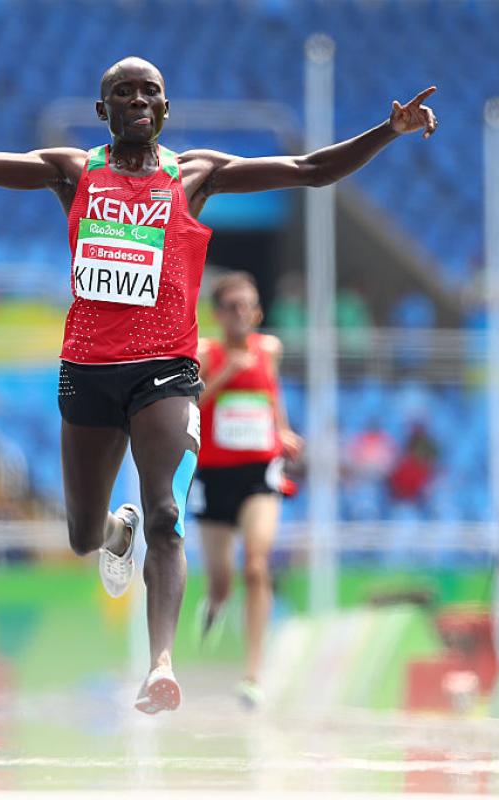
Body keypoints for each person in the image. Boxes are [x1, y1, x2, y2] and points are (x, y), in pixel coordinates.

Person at [0, 57, 437, 713]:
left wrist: (387, 131)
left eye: (150, 92)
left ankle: (160, 665)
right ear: (102, 110)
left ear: (165, 109)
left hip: (165, 371)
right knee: (83, 537)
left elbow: (311, 170)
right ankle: (114, 530)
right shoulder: (74, 171)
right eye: (123, 93)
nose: (138, 100)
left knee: (167, 515)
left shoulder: (195, 173)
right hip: (88, 372)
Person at [193, 271, 302, 709]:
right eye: (233, 307)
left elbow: (270, 391)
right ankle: (216, 603)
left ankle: (253, 675)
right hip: (214, 474)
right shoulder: (205, 353)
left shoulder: (268, 349)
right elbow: (187, 404)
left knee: (256, 566)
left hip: (259, 470)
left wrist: (284, 430)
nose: (243, 314)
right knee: (222, 580)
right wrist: (223, 377)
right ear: (218, 314)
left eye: (250, 306)